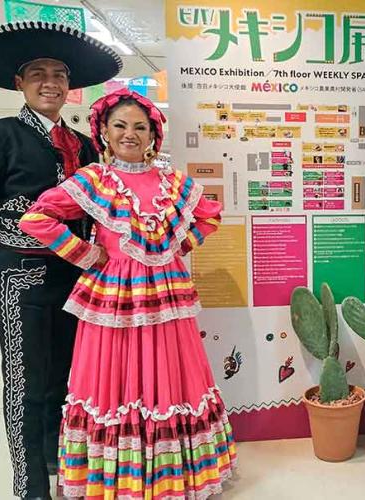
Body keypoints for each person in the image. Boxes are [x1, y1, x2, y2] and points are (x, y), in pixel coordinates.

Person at [19, 89, 237, 499]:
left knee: (171, 379)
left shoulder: (172, 181)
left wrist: (176, 247)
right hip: (114, 298)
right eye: (120, 125)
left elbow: (210, 215)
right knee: (113, 380)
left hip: (166, 297)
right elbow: (37, 217)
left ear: (154, 134)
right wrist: (84, 253)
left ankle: (171, 477)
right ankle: (121, 481)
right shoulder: (94, 180)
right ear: (104, 131)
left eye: (140, 127)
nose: (130, 134)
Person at [0, 21, 121, 499]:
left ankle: (60, 467)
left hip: (79, 277)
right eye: (39, 73)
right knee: (26, 382)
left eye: (60, 74)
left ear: (71, 86)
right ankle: (29, 487)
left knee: (69, 379)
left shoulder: (86, 145)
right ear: (18, 83)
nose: (51, 83)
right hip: (20, 277)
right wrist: (16, 239)